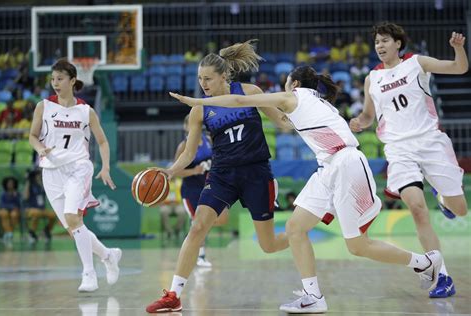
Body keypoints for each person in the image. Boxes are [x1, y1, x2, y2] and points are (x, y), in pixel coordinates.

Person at [170, 64, 443, 313]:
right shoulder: (314, 100)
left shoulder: (293, 97)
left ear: (295, 83)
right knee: (295, 228)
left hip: (345, 163)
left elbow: (240, 100)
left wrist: (197, 102)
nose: (283, 87)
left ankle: (424, 263)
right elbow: (284, 122)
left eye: (286, 82)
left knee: (357, 246)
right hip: (327, 167)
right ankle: (313, 296)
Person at [146, 39, 291, 313]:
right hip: (222, 174)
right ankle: (174, 295)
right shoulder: (199, 109)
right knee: (198, 226)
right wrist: (169, 170)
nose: (203, 84)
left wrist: (307, 121)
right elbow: (189, 154)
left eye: (208, 78)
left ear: (224, 76)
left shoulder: (250, 92)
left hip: (256, 172)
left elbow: (282, 123)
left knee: (269, 245)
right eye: (200, 79)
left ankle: (298, 232)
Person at [349, 22, 468, 298]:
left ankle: (443, 198)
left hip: (430, 142)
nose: (379, 46)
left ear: (398, 44)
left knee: (460, 209)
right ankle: (442, 276)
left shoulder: (416, 63)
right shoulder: (372, 79)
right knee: (416, 208)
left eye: (385, 41)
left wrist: (459, 50)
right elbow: (369, 115)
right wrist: (360, 122)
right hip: (398, 148)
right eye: (377, 42)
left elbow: (458, 68)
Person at [28, 58, 122, 292]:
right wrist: (41, 149)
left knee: (73, 218)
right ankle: (108, 256)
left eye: (60, 79)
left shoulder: (85, 111)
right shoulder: (43, 106)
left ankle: (89, 274)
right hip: (51, 171)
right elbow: (32, 136)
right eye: (52, 79)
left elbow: (101, 141)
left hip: (78, 168)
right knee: (73, 229)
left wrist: (106, 166)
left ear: (72, 80)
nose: (55, 83)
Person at [172, 114, 229, 267]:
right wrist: (194, 171)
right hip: (190, 190)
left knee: (222, 218)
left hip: (209, 187)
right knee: (198, 223)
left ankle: (193, 240)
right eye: (188, 125)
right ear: (185, 128)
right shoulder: (183, 146)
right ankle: (200, 256)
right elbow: (175, 172)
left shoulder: (208, 140)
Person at [23, 169, 56, 243]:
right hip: (31, 208)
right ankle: (31, 233)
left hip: (41, 209)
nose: (39, 176)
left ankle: (46, 230)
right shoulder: (30, 185)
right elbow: (25, 197)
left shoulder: (42, 185)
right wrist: (28, 181)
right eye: (37, 175)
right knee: (35, 214)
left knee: (54, 215)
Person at [0, 176, 21, 243]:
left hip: (14, 211)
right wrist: (11, 207)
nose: (10, 185)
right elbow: (1, 204)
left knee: (14, 214)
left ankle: (8, 233)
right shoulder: (3, 194)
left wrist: (15, 196)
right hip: (4, 209)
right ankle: (9, 232)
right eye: (9, 183)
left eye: (12, 183)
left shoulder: (17, 194)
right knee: (3, 213)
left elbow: (19, 205)